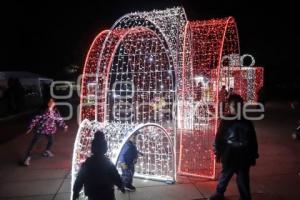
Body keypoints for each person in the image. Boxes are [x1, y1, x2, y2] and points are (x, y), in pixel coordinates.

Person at [209, 94, 259, 200]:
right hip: (229, 155)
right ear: (230, 107)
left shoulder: (247, 122)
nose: (235, 109)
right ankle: (219, 193)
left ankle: (245, 196)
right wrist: (217, 150)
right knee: (225, 176)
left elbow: (252, 140)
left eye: (238, 106)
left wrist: (253, 154)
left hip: (243, 157)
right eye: (234, 106)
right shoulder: (226, 121)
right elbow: (219, 137)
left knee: (243, 179)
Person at [73, 131, 125, 200]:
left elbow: (80, 179)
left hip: (92, 193)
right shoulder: (108, 163)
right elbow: (115, 176)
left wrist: (76, 191)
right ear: (105, 149)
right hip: (107, 193)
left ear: (92, 149)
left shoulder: (87, 163)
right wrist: (121, 185)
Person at [22, 98, 68, 166]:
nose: (52, 102)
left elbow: (59, 119)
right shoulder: (42, 111)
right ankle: (27, 158)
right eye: (50, 101)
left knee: (51, 141)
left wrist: (64, 126)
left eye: (53, 101)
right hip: (41, 130)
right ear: (47, 103)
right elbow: (35, 119)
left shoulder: (55, 111)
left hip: (50, 130)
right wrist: (30, 127)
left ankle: (46, 151)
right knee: (34, 143)